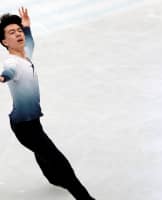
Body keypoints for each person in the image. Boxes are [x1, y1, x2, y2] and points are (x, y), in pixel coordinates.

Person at [0, 7, 95, 200]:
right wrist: (2, 77)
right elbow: (7, 74)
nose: (18, 34)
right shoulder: (12, 64)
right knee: (60, 162)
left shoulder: (25, 53)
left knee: (41, 150)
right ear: (3, 42)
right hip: (24, 127)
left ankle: (52, 178)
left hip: (32, 121)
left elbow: (30, 41)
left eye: (18, 31)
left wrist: (26, 27)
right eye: (12, 32)